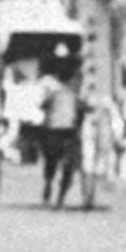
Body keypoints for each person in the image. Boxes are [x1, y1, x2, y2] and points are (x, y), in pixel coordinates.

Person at [38, 59, 83, 207]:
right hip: (68, 133)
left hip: (53, 131)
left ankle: (49, 185)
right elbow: (82, 110)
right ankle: (60, 197)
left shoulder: (55, 93)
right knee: (68, 167)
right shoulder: (73, 95)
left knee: (51, 162)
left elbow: (43, 106)